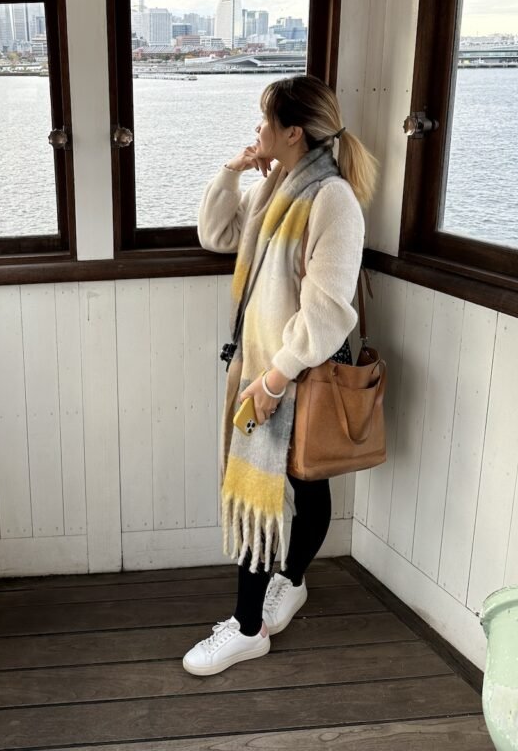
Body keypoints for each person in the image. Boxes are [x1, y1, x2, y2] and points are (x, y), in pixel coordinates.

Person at [183, 74, 379, 677]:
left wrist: (272, 381)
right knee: (300, 488)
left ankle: (247, 628)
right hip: (263, 368)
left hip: (292, 376)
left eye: (265, 123)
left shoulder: (332, 201)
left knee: (266, 494)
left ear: (294, 132)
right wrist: (235, 169)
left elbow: (327, 312)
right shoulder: (278, 188)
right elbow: (215, 235)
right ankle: (290, 584)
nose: (258, 131)